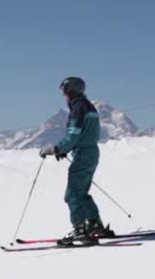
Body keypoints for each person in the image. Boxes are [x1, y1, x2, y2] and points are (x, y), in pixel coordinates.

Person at [39, 77, 115, 246]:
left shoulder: (78, 108)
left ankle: (81, 231)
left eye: (64, 93)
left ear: (71, 92)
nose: (64, 97)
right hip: (91, 153)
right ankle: (95, 226)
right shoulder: (89, 106)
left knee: (72, 195)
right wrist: (67, 149)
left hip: (82, 155)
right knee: (82, 194)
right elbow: (85, 133)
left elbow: (73, 135)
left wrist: (57, 149)